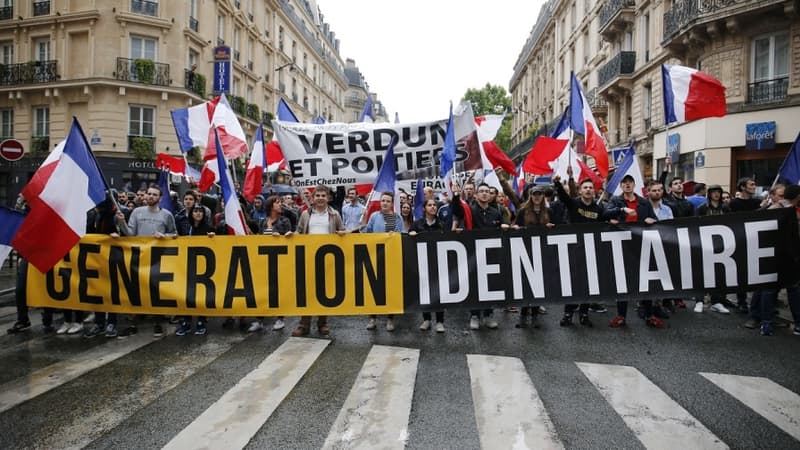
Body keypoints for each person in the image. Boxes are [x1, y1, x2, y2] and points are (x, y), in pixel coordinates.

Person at [112, 184, 177, 338]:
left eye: (154, 195)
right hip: (138, 258)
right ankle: (133, 324)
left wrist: (164, 236)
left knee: (156, 292)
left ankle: (158, 323)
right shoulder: (136, 212)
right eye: (149, 194)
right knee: (135, 291)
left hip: (157, 260)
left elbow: (175, 234)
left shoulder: (167, 215)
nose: (150, 197)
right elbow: (130, 234)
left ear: (160, 198)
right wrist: (121, 223)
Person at [605, 175, 662, 328]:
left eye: (630, 183)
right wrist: (621, 210)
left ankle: (649, 314)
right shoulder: (616, 201)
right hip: (622, 246)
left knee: (645, 280)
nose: (627, 185)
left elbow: (654, 219)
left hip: (641, 245)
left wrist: (651, 221)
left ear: (634, 185)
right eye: (624, 183)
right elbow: (605, 214)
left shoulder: (643, 202)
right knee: (622, 281)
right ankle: (621, 315)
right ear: (621, 186)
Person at [452, 182, 509, 330]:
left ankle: (488, 315)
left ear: (490, 196)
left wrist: (506, 227)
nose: (484, 193)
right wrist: (456, 195)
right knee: (475, 286)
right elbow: (457, 211)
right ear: (476, 195)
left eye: (487, 191)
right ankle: (475, 315)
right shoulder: (470, 210)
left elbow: (503, 229)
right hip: (473, 256)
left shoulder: (496, 213)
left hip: (491, 256)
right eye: (481, 191)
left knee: (490, 285)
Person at [291, 185, 346, 337]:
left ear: (328, 198)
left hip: (327, 259)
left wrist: (342, 234)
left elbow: (342, 231)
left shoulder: (335, 215)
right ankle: (304, 324)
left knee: (324, 292)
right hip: (308, 259)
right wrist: (291, 235)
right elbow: (299, 231)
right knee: (307, 292)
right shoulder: (305, 214)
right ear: (313, 198)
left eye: (323, 195)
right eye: (318, 195)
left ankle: (322, 323)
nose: (320, 198)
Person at [249, 195, 293, 332]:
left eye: (280, 202)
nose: (280, 205)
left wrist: (279, 236)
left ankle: (280, 318)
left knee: (278, 290)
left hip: (279, 261)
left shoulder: (285, 221)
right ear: (270, 206)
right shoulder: (262, 222)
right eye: (277, 203)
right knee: (262, 290)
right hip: (264, 261)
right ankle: (259, 320)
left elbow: (289, 239)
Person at [511, 184, 553, 328]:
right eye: (534, 194)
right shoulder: (523, 211)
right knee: (526, 284)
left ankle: (535, 315)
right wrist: (516, 228)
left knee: (538, 285)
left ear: (542, 196)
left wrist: (550, 227)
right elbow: (516, 225)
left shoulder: (548, 211)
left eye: (539, 194)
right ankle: (523, 315)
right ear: (531, 196)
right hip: (526, 251)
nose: (537, 197)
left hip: (541, 251)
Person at [364, 192, 405, 331]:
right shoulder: (374, 216)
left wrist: (396, 236)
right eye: (383, 201)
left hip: (391, 258)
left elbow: (402, 234)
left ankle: (390, 319)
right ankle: (372, 318)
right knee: (373, 289)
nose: (385, 203)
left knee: (390, 289)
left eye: (387, 201)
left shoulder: (396, 217)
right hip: (375, 257)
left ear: (392, 203)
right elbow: (367, 233)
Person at [174, 205, 215, 336]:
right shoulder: (185, 227)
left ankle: (201, 321)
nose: (198, 214)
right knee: (186, 295)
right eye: (195, 211)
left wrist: (213, 237)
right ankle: (185, 322)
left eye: (200, 212)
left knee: (201, 295)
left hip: (203, 267)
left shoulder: (208, 229)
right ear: (191, 213)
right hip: (186, 265)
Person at [409, 198, 446, 332]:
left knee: (438, 292)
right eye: (429, 205)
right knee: (424, 292)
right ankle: (426, 319)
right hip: (422, 264)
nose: (432, 207)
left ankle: (440, 321)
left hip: (438, 263)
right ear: (424, 208)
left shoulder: (441, 224)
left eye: (434, 205)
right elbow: (408, 240)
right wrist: (411, 234)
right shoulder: (417, 224)